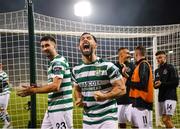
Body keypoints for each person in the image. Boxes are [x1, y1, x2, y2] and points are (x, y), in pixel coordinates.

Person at [72, 32, 126, 129]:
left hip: (107, 117)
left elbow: (122, 89)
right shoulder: (76, 70)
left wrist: (105, 96)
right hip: (87, 119)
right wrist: (79, 98)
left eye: (89, 38)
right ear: (79, 47)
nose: (85, 39)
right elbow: (77, 89)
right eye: (82, 39)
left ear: (96, 45)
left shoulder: (108, 66)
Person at [17, 36, 73, 129]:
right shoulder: (53, 62)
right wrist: (38, 86)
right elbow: (53, 84)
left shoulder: (58, 62)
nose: (44, 48)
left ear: (54, 45)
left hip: (61, 108)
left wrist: (34, 90)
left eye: (47, 45)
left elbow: (55, 86)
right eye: (42, 46)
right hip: (52, 107)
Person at [126, 46, 154, 128]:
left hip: (142, 102)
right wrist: (126, 76)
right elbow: (136, 81)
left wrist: (128, 83)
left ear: (137, 54)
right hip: (138, 102)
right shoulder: (140, 66)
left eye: (134, 54)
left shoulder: (143, 65)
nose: (134, 56)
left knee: (144, 127)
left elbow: (142, 85)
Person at [154, 51, 179, 129]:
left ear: (165, 57)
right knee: (164, 120)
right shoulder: (157, 71)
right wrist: (155, 85)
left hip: (170, 97)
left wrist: (162, 84)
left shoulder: (171, 67)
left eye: (160, 57)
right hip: (161, 98)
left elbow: (175, 83)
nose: (158, 59)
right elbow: (156, 85)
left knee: (166, 119)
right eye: (157, 58)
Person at [115, 47, 135, 128]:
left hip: (130, 100)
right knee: (121, 124)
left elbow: (124, 82)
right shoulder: (113, 67)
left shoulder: (132, 66)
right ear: (121, 54)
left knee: (135, 123)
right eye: (127, 53)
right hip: (118, 100)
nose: (129, 54)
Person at [0, 63, 12, 129]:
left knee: (3, 110)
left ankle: (7, 123)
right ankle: (8, 124)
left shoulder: (3, 73)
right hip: (1, 94)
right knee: (3, 110)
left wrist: (1, 86)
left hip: (4, 94)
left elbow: (6, 82)